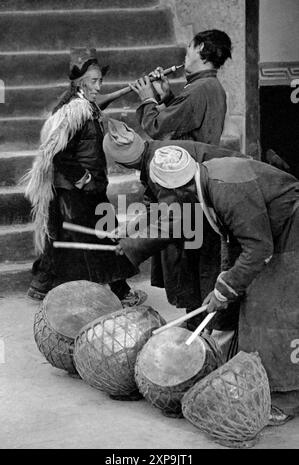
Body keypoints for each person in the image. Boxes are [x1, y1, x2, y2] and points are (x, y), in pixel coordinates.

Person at [114, 147, 299, 425]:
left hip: (291, 230)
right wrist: (223, 282)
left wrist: (225, 290)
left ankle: (286, 398)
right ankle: (258, 376)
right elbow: (230, 237)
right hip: (271, 233)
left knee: (271, 313)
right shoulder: (206, 182)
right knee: (248, 302)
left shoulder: (227, 189)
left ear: (179, 189)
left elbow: (258, 247)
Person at [23, 48, 146, 307]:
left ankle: (41, 286)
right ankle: (120, 292)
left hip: (73, 189)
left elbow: (99, 103)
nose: (99, 85)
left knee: (61, 238)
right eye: (94, 81)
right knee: (104, 236)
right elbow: (58, 153)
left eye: (100, 80)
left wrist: (130, 89)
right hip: (78, 189)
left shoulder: (80, 104)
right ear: (80, 83)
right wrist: (85, 179)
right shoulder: (77, 110)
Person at [103, 119, 246, 334]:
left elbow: (172, 222)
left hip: (231, 197)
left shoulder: (161, 163)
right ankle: (196, 321)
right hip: (202, 205)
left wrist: (132, 245)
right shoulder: (152, 152)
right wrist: (132, 226)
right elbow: (161, 205)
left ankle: (215, 329)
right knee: (191, 263)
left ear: (122, 163)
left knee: (209, 266)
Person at [129, 29, 232, 144]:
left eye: (190, 46)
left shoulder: (198, 89)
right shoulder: (212, 85)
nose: (186, 53)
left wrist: (148, 99)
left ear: (200, 47)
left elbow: (157, 129)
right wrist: (167, 97)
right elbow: (188, 122)